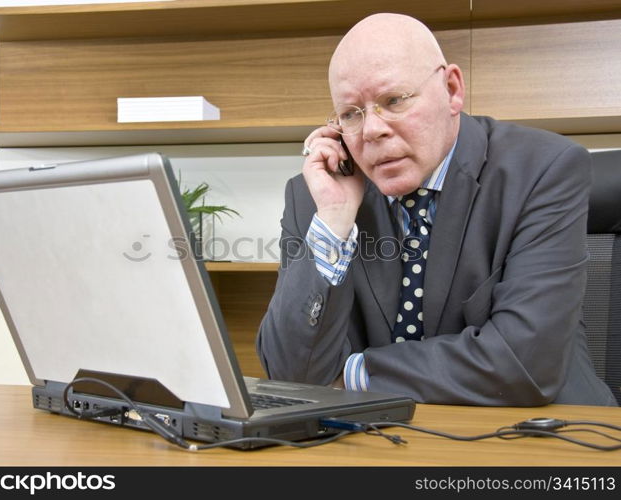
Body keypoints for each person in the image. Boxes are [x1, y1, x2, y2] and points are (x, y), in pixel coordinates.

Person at [256, 13, 617, 406]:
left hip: (542, 437)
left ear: (451, 89)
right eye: (351, 114)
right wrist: (334, 218)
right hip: (381, 441)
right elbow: (289, 376)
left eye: (393, 101)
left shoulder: (543, 169)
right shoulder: (316, 195)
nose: (372, 129)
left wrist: (353, 374)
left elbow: (522, 362)